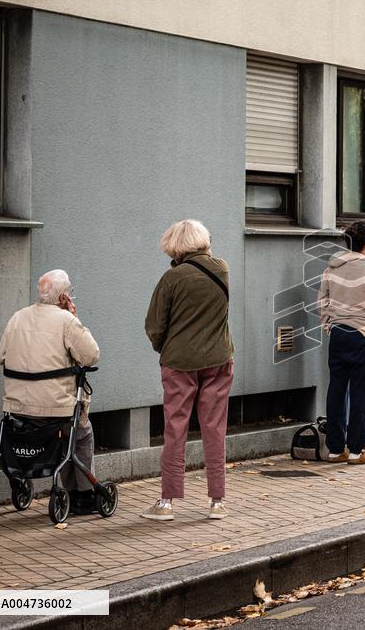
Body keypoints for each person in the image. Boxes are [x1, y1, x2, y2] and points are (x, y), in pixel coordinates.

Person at [143, 219, 233, 521]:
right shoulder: (221, 268)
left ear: (176, 246)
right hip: (219, 359)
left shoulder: (172, 278)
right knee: (214, 429)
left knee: (175, 429)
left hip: (179, 363)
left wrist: (166, 348)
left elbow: (154, 326)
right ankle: (217, 501)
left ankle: (166, 502)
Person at [0, 270, 100, 515]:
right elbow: (91, 355)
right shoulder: (67, 321)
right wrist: (74, 316)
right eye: (70, 292)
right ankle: (83, 495)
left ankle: (71, 492)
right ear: (64, 296)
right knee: (80, 432)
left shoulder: (18, 317)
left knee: (63, 435)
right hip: (56, 408)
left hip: (17, 407)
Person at [318, 220, 365, 464]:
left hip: (338, 333)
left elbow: (323, 301)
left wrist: (330, 324)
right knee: (362, 393)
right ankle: (358, 450)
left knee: (336, 390)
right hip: (364, 335)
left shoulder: (331, 267)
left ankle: (336, 449)